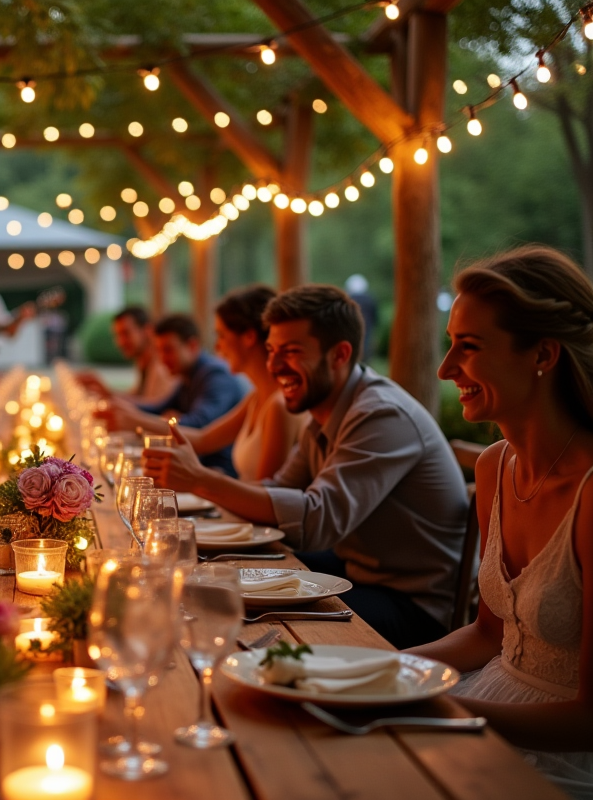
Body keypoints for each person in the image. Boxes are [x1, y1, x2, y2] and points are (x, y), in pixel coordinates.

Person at [142, 285, 468, 649]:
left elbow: (315, 523)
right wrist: (205, 486)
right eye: (271, 351)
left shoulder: (379, 414)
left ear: (339, 355)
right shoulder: (326, 412)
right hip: (359, 574)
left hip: (413, 606)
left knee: (245, 631)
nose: (274, 365)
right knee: (217, 584)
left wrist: (201, 482)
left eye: (292, 352)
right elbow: (278, 489)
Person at [409, 246, 593, 797]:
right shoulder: (494, 466)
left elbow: (588, 719)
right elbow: (491, 634)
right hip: (487, 703)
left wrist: (428, 702)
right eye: (449, 345)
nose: (445, 370)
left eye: (468, 347)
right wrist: (367, 668)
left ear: (542, 353)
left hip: (565, 761)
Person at [169, 286, 306, 481]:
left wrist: (201, 479)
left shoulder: (280, 405)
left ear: (249, 337)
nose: (217, 346)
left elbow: (264, 496)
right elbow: (202, 440)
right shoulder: (257, 396)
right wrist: (134, 423)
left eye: (221, 335)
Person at [101, 313, 245, 475]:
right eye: (159, 351)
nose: (162, 359)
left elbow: (198, 425)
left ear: (192, 346)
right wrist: (121, 407)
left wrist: (135, 420)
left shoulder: (216, 376)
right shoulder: (188, 374)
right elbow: (160, 408)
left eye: (168, 350)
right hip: (196, 466)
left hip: (220, 473)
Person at [78, 306, 177, 406]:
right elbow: (136, 397)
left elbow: (153, 410)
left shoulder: (162, 366)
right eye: (118, 335)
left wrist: (107, 394)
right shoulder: (144, 362)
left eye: (126, 333)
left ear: (148, 331)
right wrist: (103, 390)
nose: (120, 342)